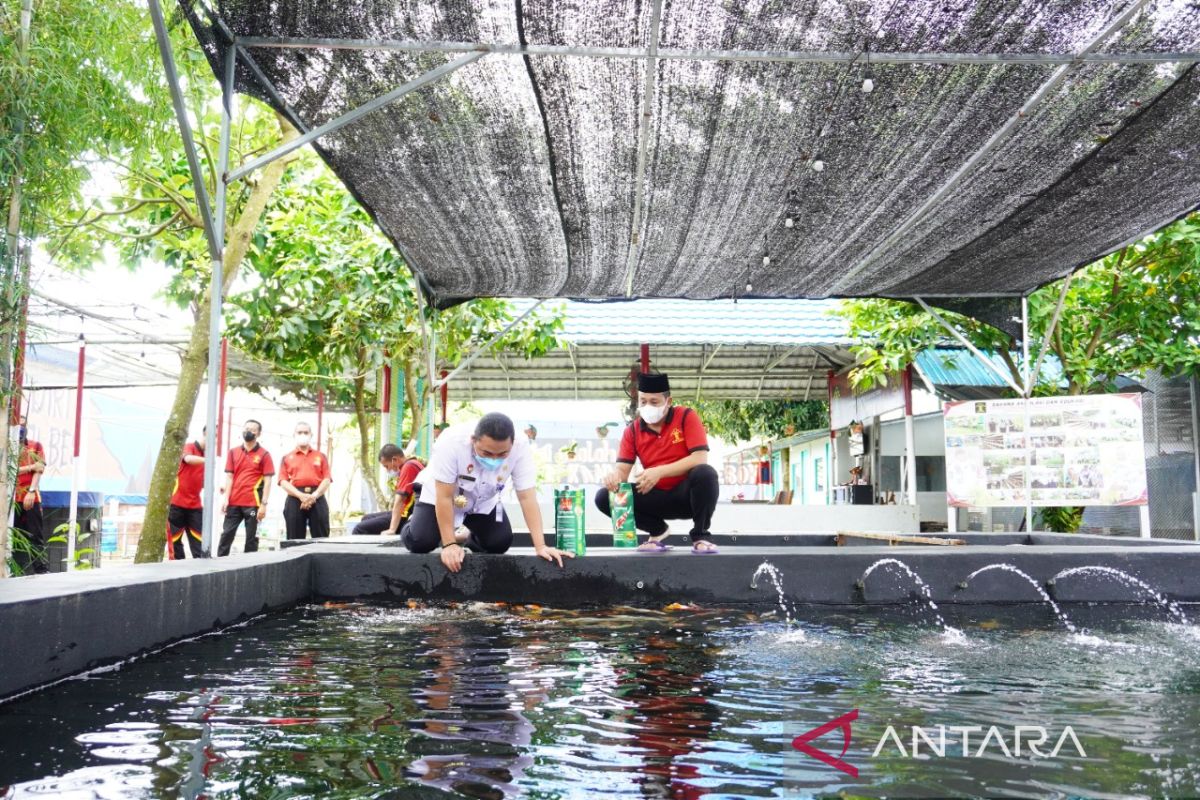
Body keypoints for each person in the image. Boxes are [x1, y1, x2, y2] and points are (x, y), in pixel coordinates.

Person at [399, 412, 570, 573]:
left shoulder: (521, 446)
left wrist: (540, 546)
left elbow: (527, 497)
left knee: (498, 543)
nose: (494, 459)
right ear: (473, 440)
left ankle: (467, 535)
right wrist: (449, 545)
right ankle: (415, 522)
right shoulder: (451, 441)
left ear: (512, 443)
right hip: (440, 497)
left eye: (502, 454)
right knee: (421, 541)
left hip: (481, 500)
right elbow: (444, 496)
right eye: (487, 453)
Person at [596, 372, 720, 554]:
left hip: (688, 497)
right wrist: (614, 478)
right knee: (604, 497)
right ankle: (657, 531)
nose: (647, 406)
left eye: (654, 402)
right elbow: (622, 470)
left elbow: (699, 458)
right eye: (643, 401)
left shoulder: (686, 416)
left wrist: (659, 471)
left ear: (668, 402)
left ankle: (701, 535)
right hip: (654, 496)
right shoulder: (632, 430)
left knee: (705, 473)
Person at [218, 419, 274, 556]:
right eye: (246, 428)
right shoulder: (233, 452)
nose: (248, 431)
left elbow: (268, 481)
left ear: (258, 434)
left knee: (251, 538)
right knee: (226, 535)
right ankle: (219, 565)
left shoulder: (264, 455)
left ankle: (250, 567)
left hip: (253, 504)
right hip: (234, 503)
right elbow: (229, 477)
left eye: (253, 429)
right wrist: (226, 499)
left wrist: (264, 504)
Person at [351, 444, 424, 536]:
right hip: (408, 512)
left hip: (407, 516)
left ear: (395, 460)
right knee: (366, 518)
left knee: (359, 528)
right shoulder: (413, 463)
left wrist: (392, 529)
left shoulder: (408, 467)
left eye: (386, 466)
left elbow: (400, 500)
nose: (387, 470)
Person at [277, 421, 331, 541]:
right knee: (294, 538)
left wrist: (314, 496)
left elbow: (327, 479)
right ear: (294, 435)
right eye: (299, 432)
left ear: (311, 435)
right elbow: (283, 481)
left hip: (317, 496)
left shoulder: (320, 456)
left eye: (306, 432)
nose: (303, 435)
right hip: (295, 497)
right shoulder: (287, 457)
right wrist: (300, 495)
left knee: (321, 536)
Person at [12, 416, 47, 574]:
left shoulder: (35, 446)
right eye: (18, 423)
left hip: (30, 496)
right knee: (9, 538)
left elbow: (40, 469)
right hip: (8, 499)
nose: (21, 426)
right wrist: (30, 466)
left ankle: (41, 571)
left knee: (35, 536)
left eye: (24, 423)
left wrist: (31, 491)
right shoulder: (7, 447)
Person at [167, 426, 206, 559]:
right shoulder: (189, 447)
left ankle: (200, 569)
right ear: (206, 434)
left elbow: (200, 479)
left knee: (199, 541)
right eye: (215, 436)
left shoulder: (207, 455)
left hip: (195, 505)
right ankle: (177, 570)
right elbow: (188, 459)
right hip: (177, 503)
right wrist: (210, 460)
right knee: (175, 540)